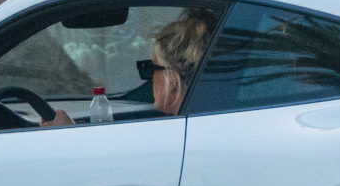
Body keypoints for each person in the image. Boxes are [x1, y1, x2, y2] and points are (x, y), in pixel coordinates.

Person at [45, 8, 216, 126]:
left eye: (151, 69)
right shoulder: (203, 122)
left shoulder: (180, 133)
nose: (149, 78)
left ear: (171, 80)